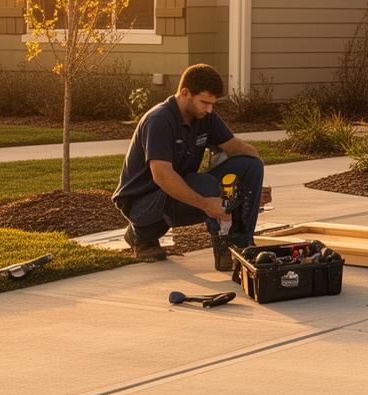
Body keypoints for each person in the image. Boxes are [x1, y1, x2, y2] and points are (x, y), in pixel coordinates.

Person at [111, 63, 265, 270]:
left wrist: (254, 186)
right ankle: (142, 234)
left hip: (175, 189)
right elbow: (162, 175)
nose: (209, 109)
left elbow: (237, 148)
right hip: (141, 202)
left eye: (212, 104)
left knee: (251, 166)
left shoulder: (204, 116)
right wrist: (206, 204)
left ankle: (241, 244)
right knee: (207, 186)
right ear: (185, 93)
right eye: (205, 102)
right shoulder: (159, 120)